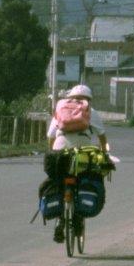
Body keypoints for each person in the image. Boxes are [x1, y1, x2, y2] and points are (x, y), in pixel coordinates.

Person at [45, 84, 108, 243]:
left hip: (59, 149)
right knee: (85, 177)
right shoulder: (90, 111)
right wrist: (105, 152)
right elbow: (102, 136)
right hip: (81, 150)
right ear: (88, 98)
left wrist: (53, 151)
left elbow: (50, 135)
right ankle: (78, 218)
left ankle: (60, 220)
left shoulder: (61, 108)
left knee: (58, 180)